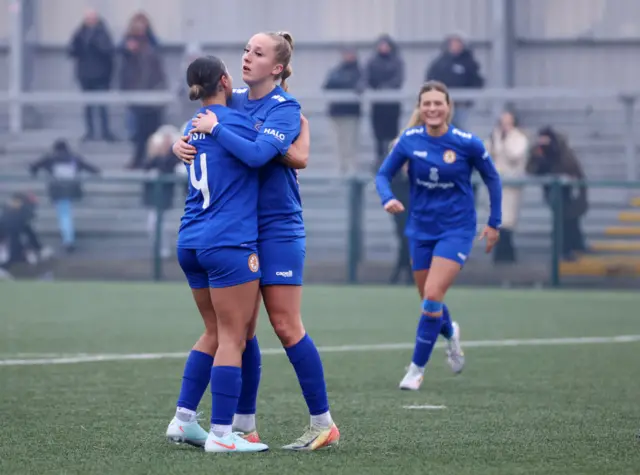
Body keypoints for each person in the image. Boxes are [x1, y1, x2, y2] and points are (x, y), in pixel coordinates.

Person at [174, 31, 339, 451]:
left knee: (284, 325)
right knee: (241, 330)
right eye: (246, 50)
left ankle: (323, 423)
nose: (247, 57)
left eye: (258, 52)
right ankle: (243, 426)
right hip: (237, 230)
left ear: (278, 68)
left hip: (278, 227)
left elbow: (266, 155)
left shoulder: (286, 107)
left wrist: (290, 147)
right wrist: (182, 141)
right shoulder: (234, 101)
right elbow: (206, 125)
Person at [165, 55, 272, 453]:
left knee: (213, 332)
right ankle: (224, 435)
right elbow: (266, 153)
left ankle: (183, 419)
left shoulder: (191, 128)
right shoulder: (240, 123)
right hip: (227, 242)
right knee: (233, 336)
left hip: (190, 240)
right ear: (226, 81)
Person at [375, 81, 502, 390]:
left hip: (456, 230)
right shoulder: (409, 140)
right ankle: (450, 332)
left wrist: (494, 222)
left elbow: (492, 177)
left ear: (448, 107)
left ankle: (416, 369)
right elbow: (382, 175)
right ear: (420, 108)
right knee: (430, 302)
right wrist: (387, 198)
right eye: (426, 103)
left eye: (438, 103)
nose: (432, 108)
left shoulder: (466, 142)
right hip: (420, 229)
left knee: (432, 296)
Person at [526, 126, 588, 261]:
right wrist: (538, 158)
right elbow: (532, 169)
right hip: (552, 190)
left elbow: (573, 168)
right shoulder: (537, 152)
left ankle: (575, 245)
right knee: (562, 220)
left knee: (571, 219)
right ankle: (565, 249)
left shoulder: (561, 150)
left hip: (568, 189)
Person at [29, 139, 100, 253]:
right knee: (65, 214)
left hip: (57, 189)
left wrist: (34, 173)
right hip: (71, 189)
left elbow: (34, 166)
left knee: (64, 214)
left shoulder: (50, 158)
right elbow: (92, 168)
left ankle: (68, 240)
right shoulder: (74, 158)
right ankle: (68, 239)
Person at [486, 110, 529, 264]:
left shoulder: (519, 138)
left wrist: (502, 141)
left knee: (507, 221)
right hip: (496, 185)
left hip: (511, 187)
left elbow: (514, 155)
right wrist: (495, 140)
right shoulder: (495, 137)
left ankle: (507, 256)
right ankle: (499, 256)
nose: (504, 126)